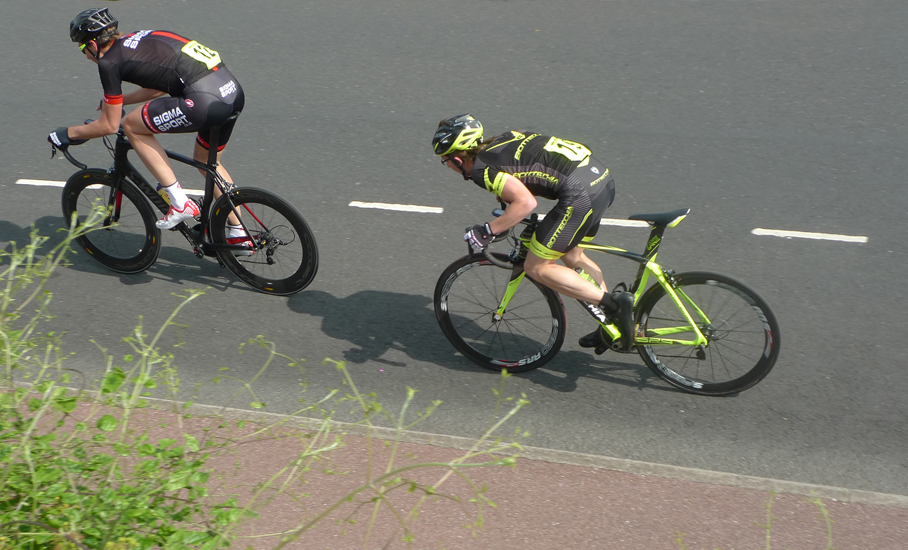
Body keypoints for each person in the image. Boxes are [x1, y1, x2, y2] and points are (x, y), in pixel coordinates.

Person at [432, 114, 636, 351]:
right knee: (573, 257)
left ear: (457, 159)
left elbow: (526, 203)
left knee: (536, 267)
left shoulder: (482, 170)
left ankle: (614, 307)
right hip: (600, 180)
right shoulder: (505, 138)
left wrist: (487, 231)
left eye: (445, 160)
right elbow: (533, 162)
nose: (447, 166)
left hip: (579, 196)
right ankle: (612, 325)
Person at [49, 8, 248, 243]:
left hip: (203, 100)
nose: (84, 55)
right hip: (231, 92)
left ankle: (179, 202)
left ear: (93, 43)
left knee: (132, 126)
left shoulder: (109, 62)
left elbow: (110, 126)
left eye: (83, 48)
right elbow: (160, 84)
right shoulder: (140, 37)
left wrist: (67, 134)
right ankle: (240, 233)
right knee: (206, 162)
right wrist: (119, 100)